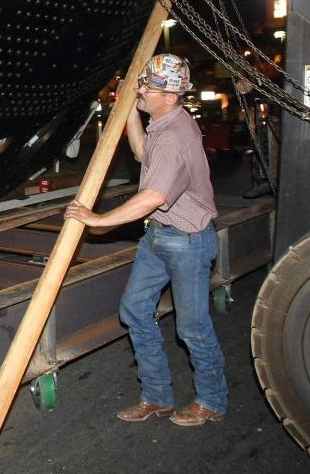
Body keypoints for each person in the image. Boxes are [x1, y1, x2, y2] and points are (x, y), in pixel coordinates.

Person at [65, 53, 228, 426]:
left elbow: (153, 196)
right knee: (135, 311)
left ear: (170, 96)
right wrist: (132, 112)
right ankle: (157, 396)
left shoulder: (174, 137)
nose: (139, 88)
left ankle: (212, 401)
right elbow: (142, 153)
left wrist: (99, 219)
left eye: (147, 88)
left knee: (192, 328)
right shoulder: (163, 122)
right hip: (158, 236)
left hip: (188, 242)